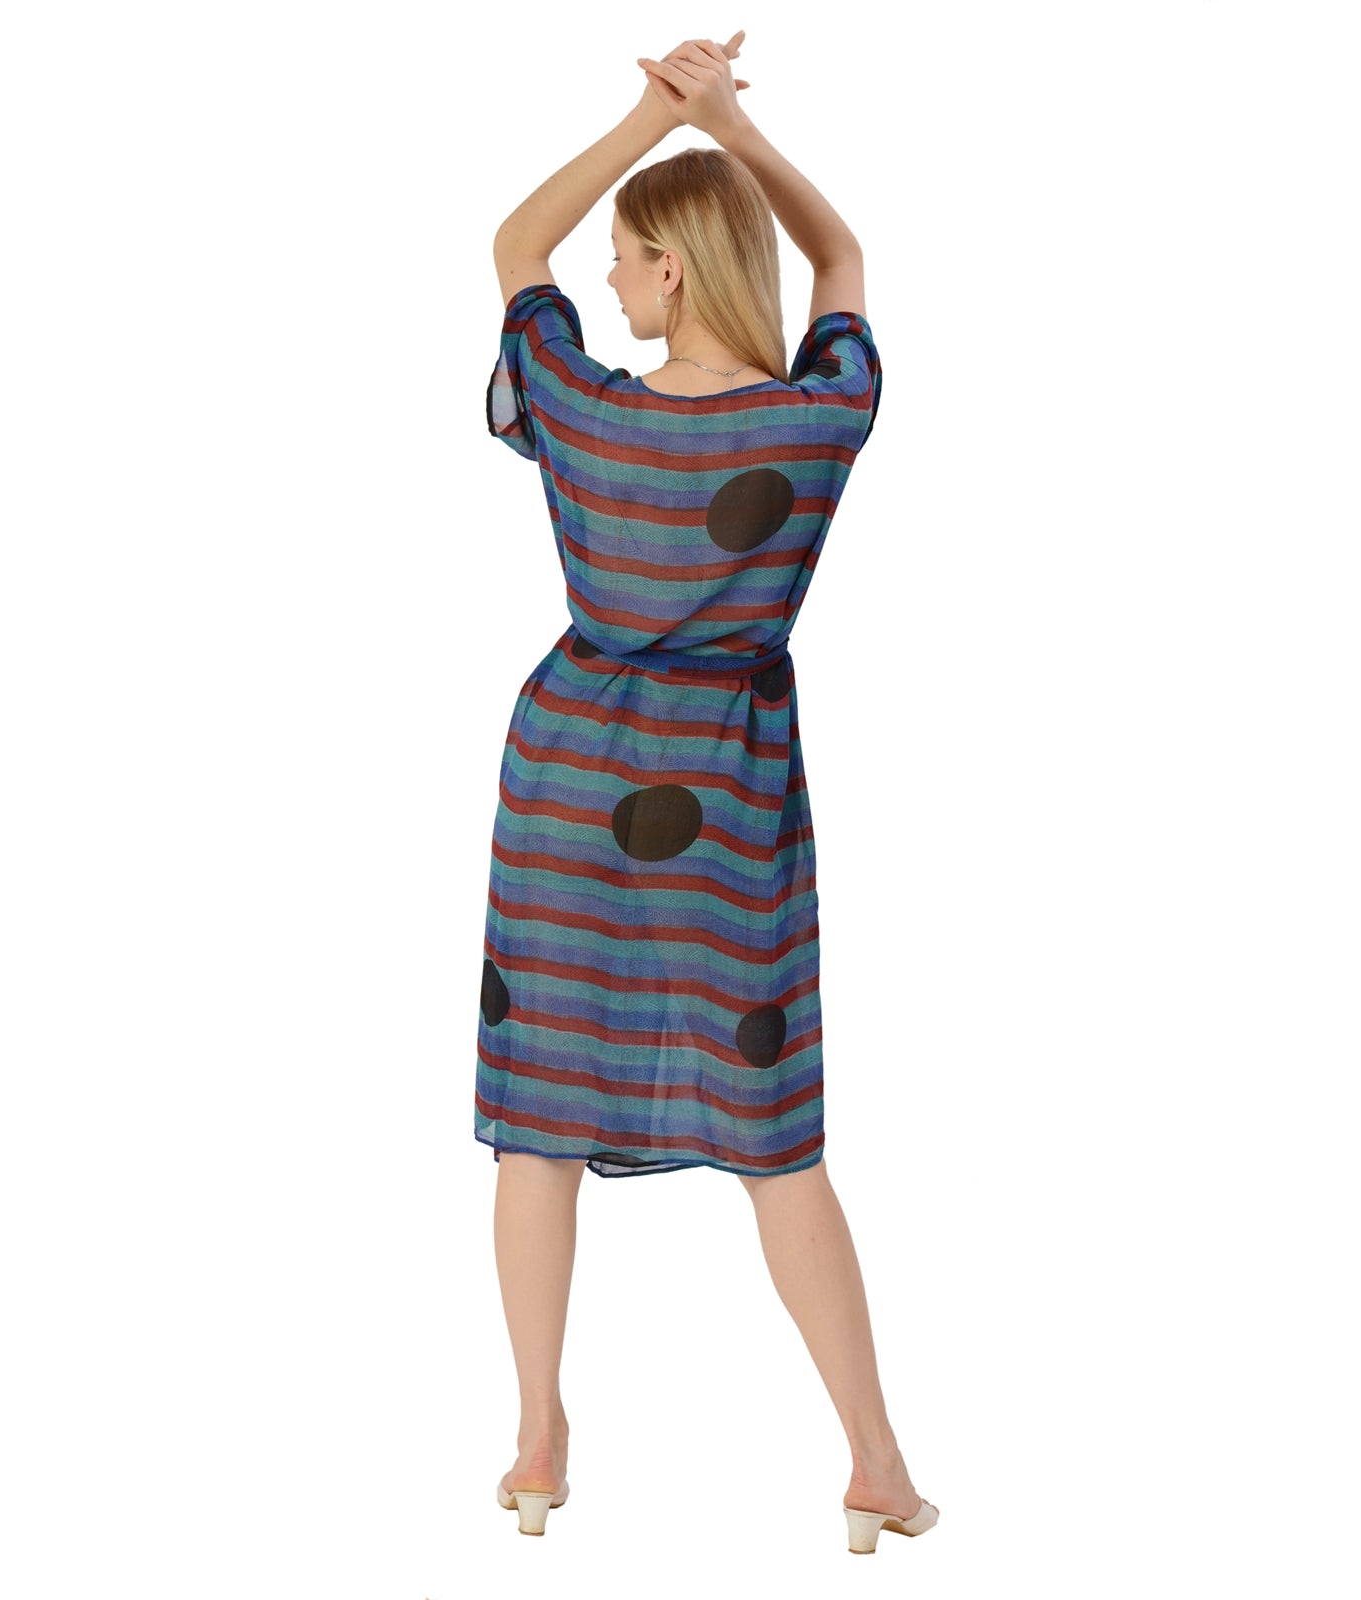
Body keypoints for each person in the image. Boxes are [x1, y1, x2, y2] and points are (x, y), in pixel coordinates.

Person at [477, 32, 938, 1556]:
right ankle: (873, 1459)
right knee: (776, 1133)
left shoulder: (588, 414)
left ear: (671, 271)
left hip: (567, 786)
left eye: (628, 259)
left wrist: (650, 116)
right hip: (728, 806)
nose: (609, 279)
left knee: (542, 1116)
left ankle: (538, 1438)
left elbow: (514, 244)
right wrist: (730, 128)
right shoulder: (814, 421)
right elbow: (845, 259)